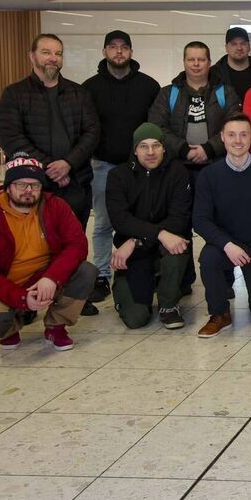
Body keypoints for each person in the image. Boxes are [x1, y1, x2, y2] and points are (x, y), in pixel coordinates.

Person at [0, 156, 95, 351]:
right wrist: (22, 298)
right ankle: (11, 327)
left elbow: (77, 245)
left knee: (86, 272)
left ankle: (56, 326)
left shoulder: (55, 206)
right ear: (8, 187)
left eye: (35, 185)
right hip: (5, 284)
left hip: (44, 277)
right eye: (21, 184)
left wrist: (52, 278)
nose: (28, 191)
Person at [148, 40, 239, 295]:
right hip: (178, 168)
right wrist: (185, 149)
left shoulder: (225, 93)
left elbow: (234, 126)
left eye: (201, 59)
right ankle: (183, 281)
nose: (196, 64)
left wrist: (209, 149)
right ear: (184, 62)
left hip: (216, 167)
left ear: (209, 63)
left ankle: (224, 281)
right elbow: (158, 127)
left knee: (219, 223)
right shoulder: (169, 93)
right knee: (180, 223)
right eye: (191, 59)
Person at [82, 30, 160, 311]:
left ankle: (140, 268)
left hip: (140, 168)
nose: (118, 52)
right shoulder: (89, 87)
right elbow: (86, 128)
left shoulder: (148, 86)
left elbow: (155, 127)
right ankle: (102, 275)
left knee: (141, 220)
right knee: (103, 223)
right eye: (113, 47)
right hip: (103, 165)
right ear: (104, 52)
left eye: (124, 47)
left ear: (131, 51)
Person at [0, 33, 99, 230]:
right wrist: (50, 167)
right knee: (34, 246)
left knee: (74, 243)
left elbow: (92, 132)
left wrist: (68, 163)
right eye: (46, 52)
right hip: (31, 185)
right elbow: (11, 138)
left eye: (58, 53)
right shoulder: (14, 94)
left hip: (76, 183)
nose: (53, 57)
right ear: (32, 56)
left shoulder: (79, 93)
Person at [192, 113, 251, 337]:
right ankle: (219, 313)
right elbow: (200, 220)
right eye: (231, 135)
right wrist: (226, 245)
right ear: (222, 137)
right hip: (227, 245)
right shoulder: (209, 175)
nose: (238, 140)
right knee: (208, 257)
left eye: (243, 134)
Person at [105, 123, 192, 330]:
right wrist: (158, 234)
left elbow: (179, 219)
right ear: (135, 150)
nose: (151, 152)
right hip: (135, 256)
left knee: (178, 244)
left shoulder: (178, 172)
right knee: (136, 320)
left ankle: (169, 306)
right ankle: (128, 288)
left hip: (161, 248)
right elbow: (121, 220)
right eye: (144, 146)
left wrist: (137, 240)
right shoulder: (118, 176)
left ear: (164, 147)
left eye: (156, 145)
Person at [212, 26, 251, 101]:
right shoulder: (213, 75)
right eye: (234, 44)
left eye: (243, 43)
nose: (239, 48)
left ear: (249, 46)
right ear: (226, 47)